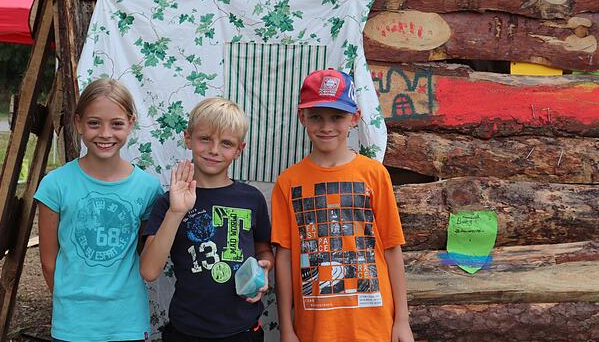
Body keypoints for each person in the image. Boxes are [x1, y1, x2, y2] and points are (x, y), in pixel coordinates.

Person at [271, 69, 414, 342]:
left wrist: (402, 321)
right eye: (316, 117)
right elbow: (285, 257)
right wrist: (287, 329)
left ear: (355, 118)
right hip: (315, 327)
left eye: (337, 116)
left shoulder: (374, 174)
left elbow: (392, 249)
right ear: (303, 117)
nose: (326, 127)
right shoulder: (288, 182)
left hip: (373, 325)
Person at [35, 78, 162, 342]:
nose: (105, 134)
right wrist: (70, 307)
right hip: (73, 323)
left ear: (130, 123)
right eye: (94, 123)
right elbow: (49, 262)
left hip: (127, 320)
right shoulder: (55, 185)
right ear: (79, 123)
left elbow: (145, 253)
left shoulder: (148, 188)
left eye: (116, 124)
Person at [141, 97, 274, 342]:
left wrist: (265, 267)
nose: (214, 150)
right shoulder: (169, 201)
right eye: (205, 139)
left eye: (226, 143)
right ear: (188, 138)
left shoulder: (251, 199)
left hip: (244, 331)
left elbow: (263, 249)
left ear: (239, 150)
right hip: (187, 331)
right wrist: (176, 212)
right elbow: (149, 271)